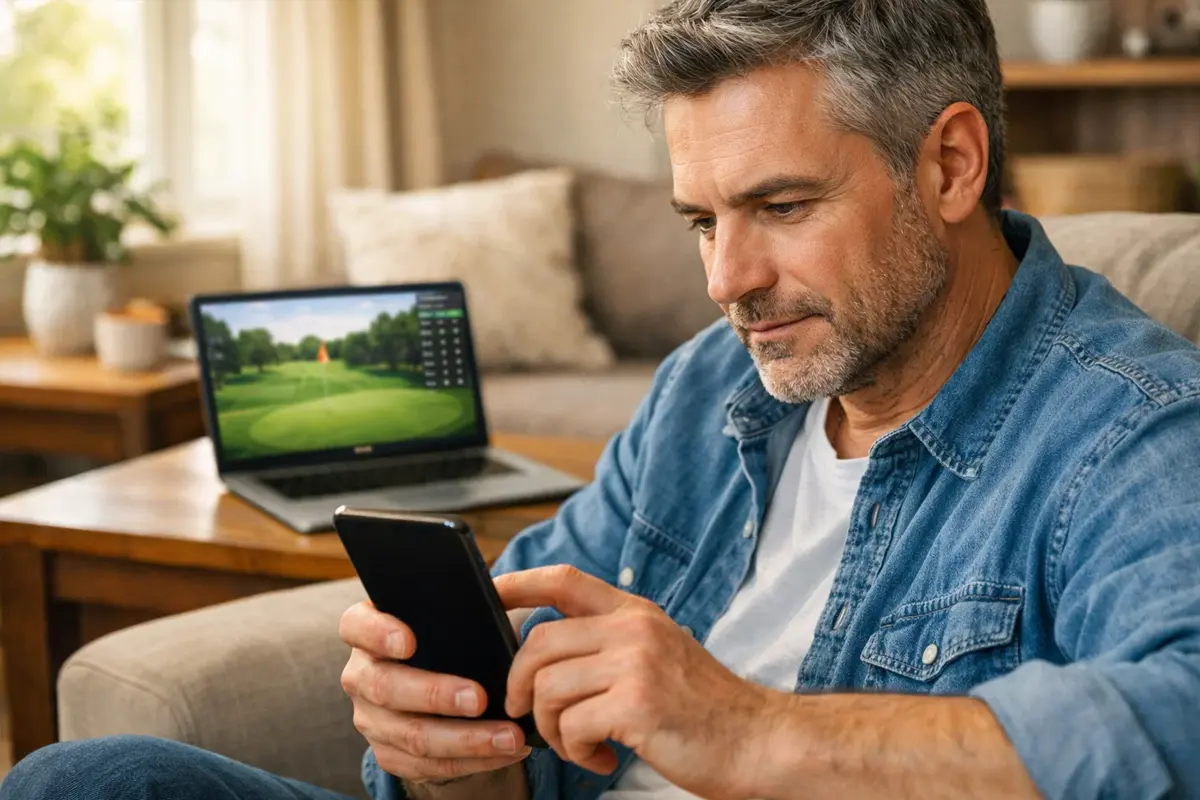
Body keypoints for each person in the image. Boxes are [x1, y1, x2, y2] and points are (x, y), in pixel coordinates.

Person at [6, 1, 1200, 799]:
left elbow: (1177, 719)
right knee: (86, 779)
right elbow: (526, 731)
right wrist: (453, 753)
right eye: (702, 220)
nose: (728, 280)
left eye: (782, 207)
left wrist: (748, 728)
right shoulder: (708, 390)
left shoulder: (1129, 426)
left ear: (950, 163)